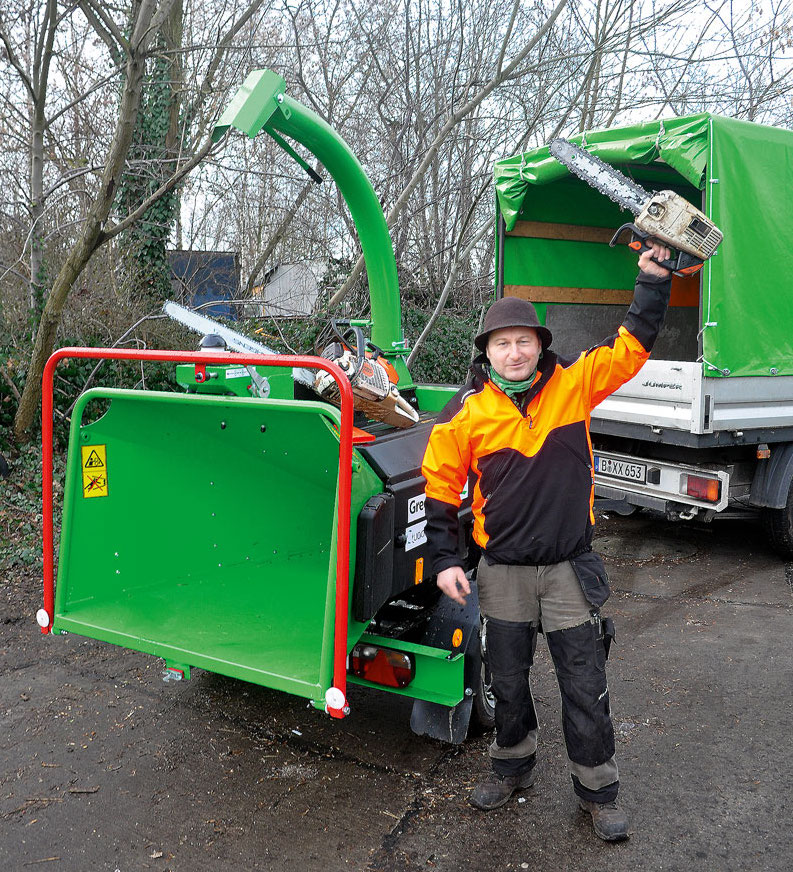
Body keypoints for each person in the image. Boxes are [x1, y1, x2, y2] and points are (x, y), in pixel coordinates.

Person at [421, 242, 672, 842]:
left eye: (524, 340)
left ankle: (598, 789)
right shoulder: (466, 414)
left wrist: (654, 278)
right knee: (505, 682)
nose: (515, 351)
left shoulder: (574, 385)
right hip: (501, 571)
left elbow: (633, 344)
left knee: (584, 682)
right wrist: (443, 560)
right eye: (501, 342)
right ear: (486, 352)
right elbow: (439, 485)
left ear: (540, 345)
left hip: (567, 570)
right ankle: (512, 764)